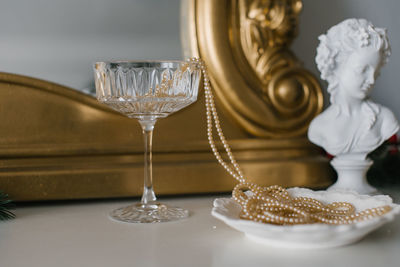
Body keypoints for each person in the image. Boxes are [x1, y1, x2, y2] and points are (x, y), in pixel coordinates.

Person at [308, 18, 399, 161]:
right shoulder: (318, 127)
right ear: (338, 67)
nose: (371, 80)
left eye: (376, 73)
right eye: (362, 70)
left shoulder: (385, 120)